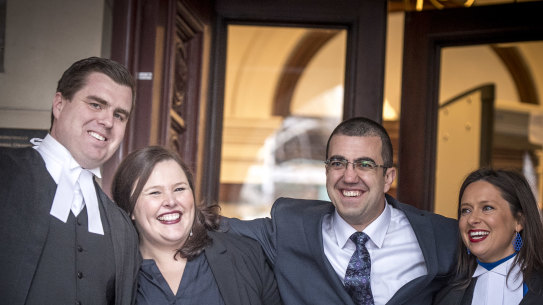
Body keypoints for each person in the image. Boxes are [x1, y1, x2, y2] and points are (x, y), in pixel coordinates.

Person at [224, 116, 458, 305]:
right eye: (338, 163)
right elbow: (219, 228)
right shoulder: (290, 228)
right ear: (327, 172)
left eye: (365, 164)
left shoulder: (440, 236)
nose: (349, 176)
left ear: (388, 177)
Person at [0, 57, 140, 305]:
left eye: (119, 115)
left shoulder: (121, 226)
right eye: (96, 105)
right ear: (59, 105)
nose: (108, 121)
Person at [111, 146, 282, 305]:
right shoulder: (111, 274)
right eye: (155, 192)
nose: (171, 201)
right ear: (129, 208)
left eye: (179, 189)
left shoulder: (246, 255)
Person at [434, 168, 543, 305]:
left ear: (519, 221)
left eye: (487, 208)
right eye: (466, 210)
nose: (472, 219)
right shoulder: (444, 295)